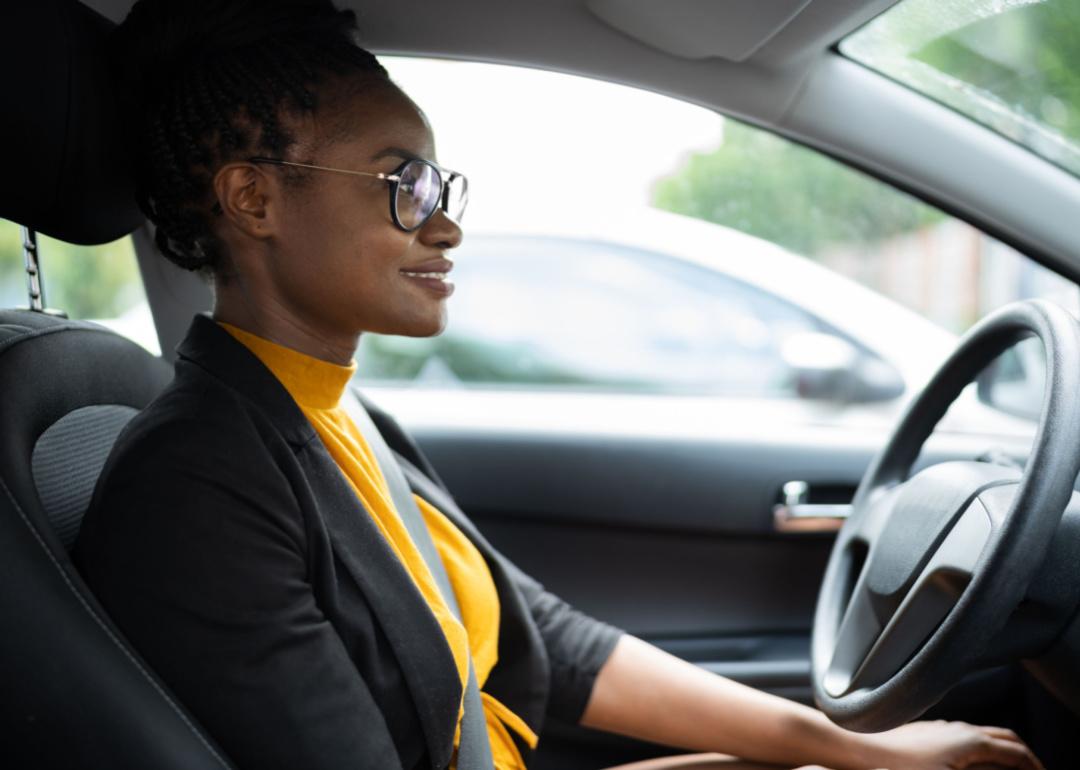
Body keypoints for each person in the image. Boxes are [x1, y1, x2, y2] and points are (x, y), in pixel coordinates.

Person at [72, 1, 1045, 769]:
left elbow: (553, 642)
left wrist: (845, 750)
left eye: (442, 188)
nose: (445, 225)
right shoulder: (200, 485)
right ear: (253, 198)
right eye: (401, 183)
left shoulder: (343, 414)